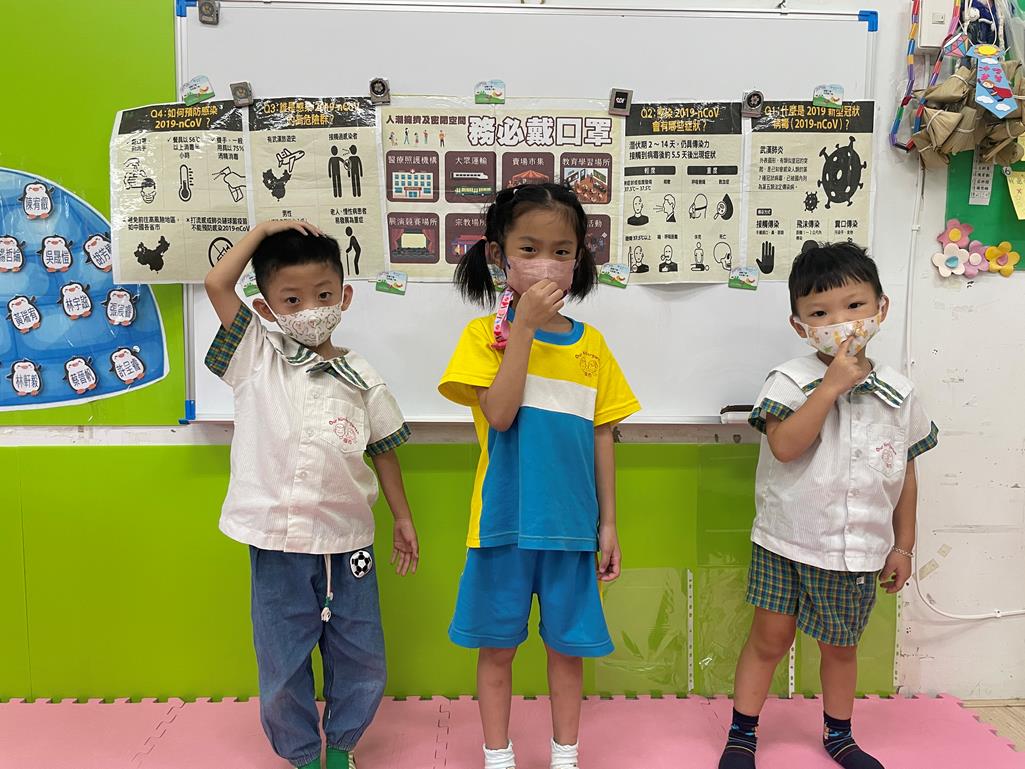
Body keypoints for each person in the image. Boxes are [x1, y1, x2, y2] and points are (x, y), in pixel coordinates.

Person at [203, 221, 420, 769]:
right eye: (292, 300)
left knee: (361, 655)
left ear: (344, 296)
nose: (310, 309)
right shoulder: (256, 353)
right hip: (277, 541)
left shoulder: (361, 376)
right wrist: (263, 231)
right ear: (267, 307)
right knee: (282, 659)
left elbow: (384, 451)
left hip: (349, 542)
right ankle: (301, 753)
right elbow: (217, 284)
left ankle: (342, 745)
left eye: (323, 295)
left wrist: (403, 519)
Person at [439, 183, 639, 769]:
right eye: (529, 248)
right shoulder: (483, 338)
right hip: (501, 526)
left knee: (567, 652)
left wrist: (608, 524)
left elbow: (602, 435)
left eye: (561, 251)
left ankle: (565, 755)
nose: (547, 263)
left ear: (579, 258)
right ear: (498, 254)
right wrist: (521, 329)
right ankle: (497, 756)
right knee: (496, 650)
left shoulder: (592, 346)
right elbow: (500, 415)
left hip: (571, 530)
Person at [718, 242, 938, 769]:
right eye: (820, 313)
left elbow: (905, 471)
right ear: (800, 326)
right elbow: (785, 446)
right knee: (769, 640)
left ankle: (839, 735)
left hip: (857, 549)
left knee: (841, 648)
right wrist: (830, 387)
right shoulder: (790, 380)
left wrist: (903, 546)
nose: (840, 323)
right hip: (786, 540)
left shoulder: (899, 392)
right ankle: (742, 734)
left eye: (854, 306)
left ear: (881, 308)